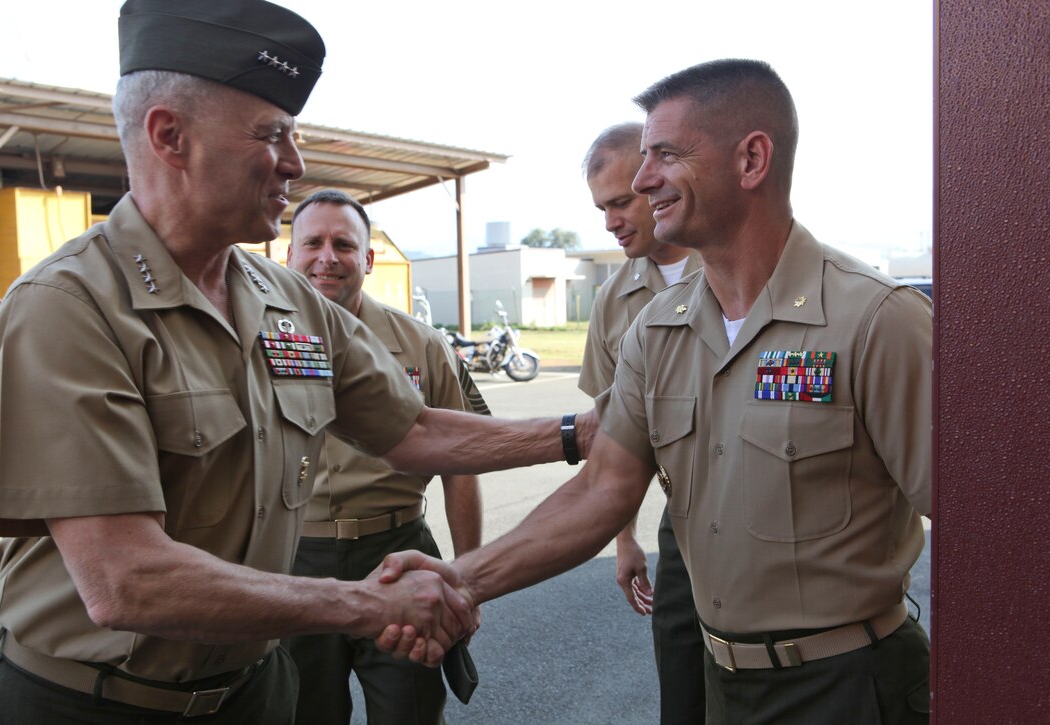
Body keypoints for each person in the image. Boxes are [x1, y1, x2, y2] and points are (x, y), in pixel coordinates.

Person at [0, 2, 592, 723]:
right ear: (170, 135)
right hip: (92, 704)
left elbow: (412, 428)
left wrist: (577, 431)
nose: (295, 163)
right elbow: (126, 579)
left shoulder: (285, 297)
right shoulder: (70, 306)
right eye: (271, 136)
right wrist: (370, 602)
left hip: (254, 692)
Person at [383, 58, 932, 724]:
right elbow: (601, 489)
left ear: (752, 158)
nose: (642, 180)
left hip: (851, 688)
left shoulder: (876, 320)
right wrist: (460, 579)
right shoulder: (656, 330)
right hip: (723, 682)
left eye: (664, 155)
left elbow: (992, 527)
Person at [282, 189, 485, 724]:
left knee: (409, 714)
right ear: (290, 254)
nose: (328, 256)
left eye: (344, 244)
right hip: (295, 563)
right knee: (303, 712)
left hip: (399, 557)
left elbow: (460, 465)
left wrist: (466, 575)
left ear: (368, 259)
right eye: (313, 243)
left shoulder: (423, 345)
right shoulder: (252, 341)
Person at [579, 122, 705, 724]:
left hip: (776, 527)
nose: (610, 221)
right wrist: (624, 537)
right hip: (681, 531)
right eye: (602, 208)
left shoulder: (739, 268)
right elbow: (614, 440)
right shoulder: (613, 299)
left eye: (622, 202)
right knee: (683, 693)